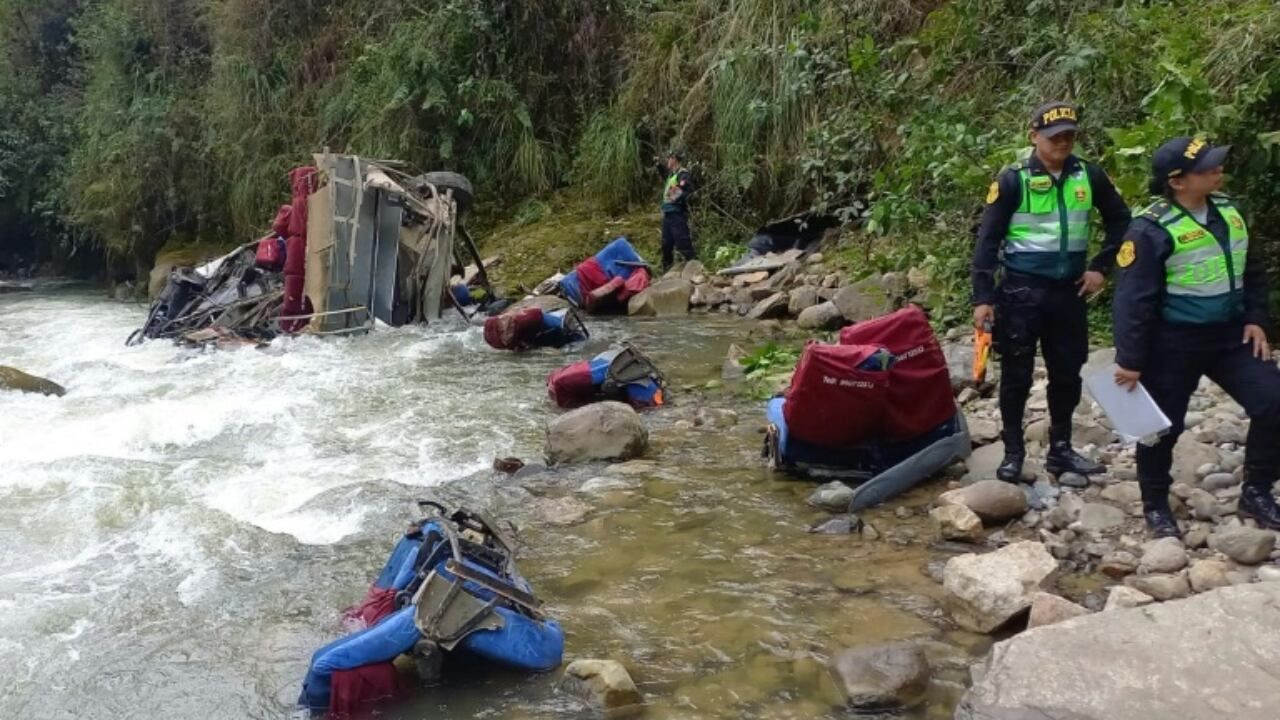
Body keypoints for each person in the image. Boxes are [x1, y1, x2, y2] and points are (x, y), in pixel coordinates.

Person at [1112, 137, 1280, 538]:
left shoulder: (1229, 212)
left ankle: (1256, 491)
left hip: (1231, 336)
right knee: (1161, 428)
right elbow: (1133, 300)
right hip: (1173, 343)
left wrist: (1258, 319)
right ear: (1177, 181)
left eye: (1217, 164)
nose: (1218, 171)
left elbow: (1251, 269)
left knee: (1273, 402)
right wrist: (1130, 360)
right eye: (1207, 168)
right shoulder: (1150, 229)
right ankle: (1155, 504)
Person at [972, 101, 1133, 483]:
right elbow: (987, 239)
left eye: (1068, 136)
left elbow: (1121, 220)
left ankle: (1061, 449)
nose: (1062, 143)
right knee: (1016, 375)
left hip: (1069, 293)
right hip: (1021, 293)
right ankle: (1013, 453)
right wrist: (983, 298)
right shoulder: (1014, 179)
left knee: (1067, 373)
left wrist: (1100, 267)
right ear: (1034, 138)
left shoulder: (1088, 175)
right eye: (1054, 137)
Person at [657, 149, 696, 271]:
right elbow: (665, 175)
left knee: (682, 241)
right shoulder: (672, 175)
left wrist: (675, 196)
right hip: (668, 214)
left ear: (674, 159)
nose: (667, 160)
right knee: (666, 244)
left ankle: (694, 268)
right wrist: (658, 165)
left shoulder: (683, 174)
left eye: (669, 158)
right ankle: (666, 270)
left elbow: (688, 190)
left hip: (677, 214)